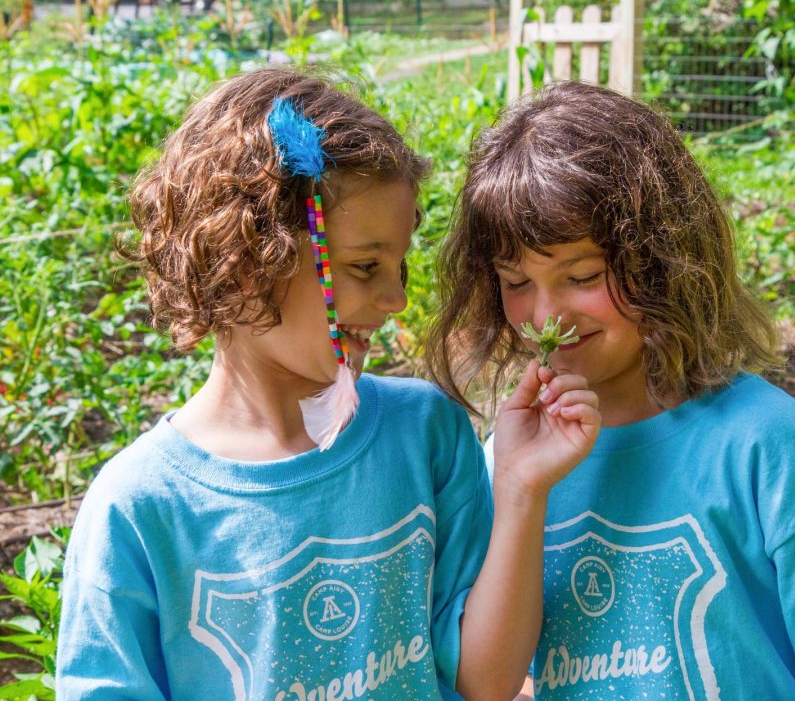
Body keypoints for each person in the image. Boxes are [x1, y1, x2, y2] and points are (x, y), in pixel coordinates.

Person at [56, 69, 602, 701]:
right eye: (364, 266)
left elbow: (487, 683)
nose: (396, 299)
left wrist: (521, 489)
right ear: (244, 260)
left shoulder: (427, 437)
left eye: (398, 265)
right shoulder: (139, 507)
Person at [426, 80, 795, 700]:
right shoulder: (510, 461)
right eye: (515, 281)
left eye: (583, 275)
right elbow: (485, 682)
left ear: (664, 259)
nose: (545, 316)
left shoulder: (767, 443)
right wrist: (518, 492)